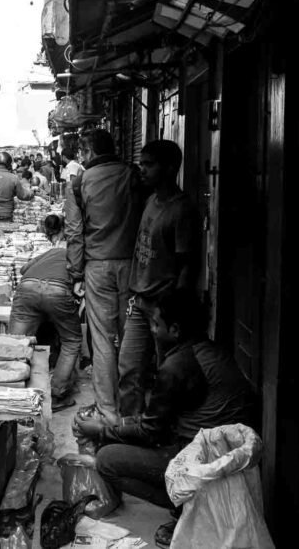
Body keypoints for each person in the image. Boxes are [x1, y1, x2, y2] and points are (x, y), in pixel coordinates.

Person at [78, 290, 255, 547]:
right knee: (123, 437)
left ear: (174, 330)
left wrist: (102, 431)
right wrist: (117, 425)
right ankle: (189, 506)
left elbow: (152, 431)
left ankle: (187, 511)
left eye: (156, 324)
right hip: (223, 453)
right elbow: (159, 419)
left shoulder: (178, 365)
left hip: (204, 461)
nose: (152, 330)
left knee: (107, 459)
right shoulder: (208, 350)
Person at [65, 129, 146, 425]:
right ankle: (131, 412)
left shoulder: (79, 183)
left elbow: (74, 233)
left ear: (88, 152)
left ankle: (107, 411)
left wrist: (76, 273)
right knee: (131, 339)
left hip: (97, 266)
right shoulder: (133, 175)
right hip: (132, 265)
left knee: (102, 342)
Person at [122, 140, 201, 416]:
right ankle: (128, 426)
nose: (142, 170)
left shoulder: (182, 210)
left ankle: (160, 430)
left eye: (149, 165)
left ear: (169, 168)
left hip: (163, 306)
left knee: (166, 374)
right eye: (141, 164)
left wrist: (173, 311)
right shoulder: (150, 201)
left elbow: (187, 264)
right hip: (140, 300)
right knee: (129, 368)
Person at [8, 215, 79, 411]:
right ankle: (55, 396)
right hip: (58, 290)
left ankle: (13, 392)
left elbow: (24, 269)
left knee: (16, 342)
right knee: (71, 341)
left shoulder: (50, 251)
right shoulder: (75, 255)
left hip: (28, 288)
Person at [0, 151, 35, 230]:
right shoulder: (13, 178)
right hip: (6, 213)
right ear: (8, 163)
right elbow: (22, 196)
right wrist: (31, 192)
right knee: (5, 234)